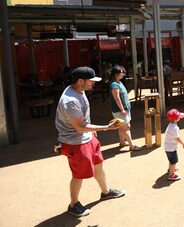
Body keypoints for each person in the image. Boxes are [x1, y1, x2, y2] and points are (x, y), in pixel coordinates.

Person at [55, 66, 125, 217]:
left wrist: (92, 130)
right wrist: (106, 127)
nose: (93, 83)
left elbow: (84, 119)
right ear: (81, 81)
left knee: (98, 165)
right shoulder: (70, 101)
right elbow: (80, 127)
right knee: (78, 174)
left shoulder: (79, 91)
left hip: (87, 138)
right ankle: (73, 204)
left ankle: (105, 192)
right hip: (75, 142)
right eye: (91, 81)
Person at [109, 66, 142, 151]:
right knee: (126, 127)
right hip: (120, 110)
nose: (123, 74)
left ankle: (122, 142)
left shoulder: (118, 82)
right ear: (116, 74)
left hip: (124, 109)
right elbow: (117, 98)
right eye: (121, 73)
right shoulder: (114, 84)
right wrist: (122, 109)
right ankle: (132, 145)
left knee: (121, 126)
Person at [164, 109, 184, 181]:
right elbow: (177, 138)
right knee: (174, 161)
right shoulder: (175, 128)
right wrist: (183, 144)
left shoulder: (170, 125)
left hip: (168, 147)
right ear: (176, 119)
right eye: (179, 116)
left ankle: (170, 169)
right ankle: (171, 175)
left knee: (171, 160)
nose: (180, 117)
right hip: (171, 148)